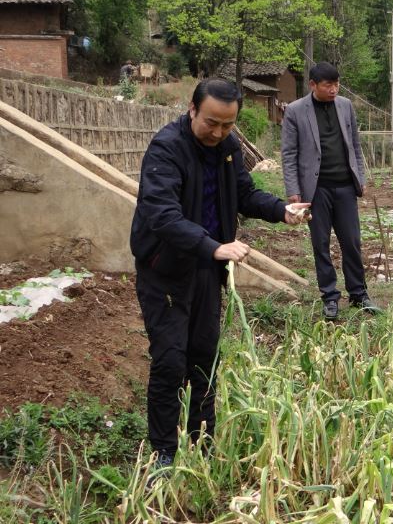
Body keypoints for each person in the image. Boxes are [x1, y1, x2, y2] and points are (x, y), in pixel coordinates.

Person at [130, 77, 308, 471]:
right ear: (192, 109)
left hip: (206, 270)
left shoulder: (227, 148)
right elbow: (162, 214)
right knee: (170, 361)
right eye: (211, 122)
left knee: (204, 357)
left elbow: (244, 193)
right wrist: (213, 245)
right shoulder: (167, 148)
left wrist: (281, 210)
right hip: (166, 270)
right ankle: (164, 452)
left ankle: (201, 440)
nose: (218, 132)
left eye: (228, 125)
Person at [281, 61, 380, 321]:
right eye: (328, 85)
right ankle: (330, 297)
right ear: (313, 85)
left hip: (345, 186)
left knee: (352, 242)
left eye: (336, 84)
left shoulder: (345, 106)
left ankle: (358, 294)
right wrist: (293, 189)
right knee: (321, 244)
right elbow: (289, 153)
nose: (334, 89)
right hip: (315, 190)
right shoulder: (295, 111)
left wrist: (360, 176)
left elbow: (354, 144)